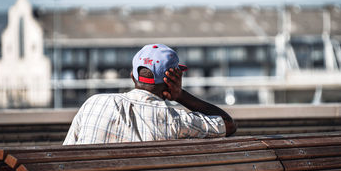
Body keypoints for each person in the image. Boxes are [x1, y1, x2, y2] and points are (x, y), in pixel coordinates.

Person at [63, 44, 237, 144]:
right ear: (172, 81)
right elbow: (228, 125)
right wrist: (180, 95)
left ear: (133, 77)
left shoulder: (93, 104)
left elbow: (65, 155)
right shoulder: (174, 120)